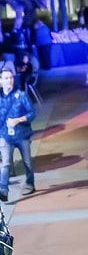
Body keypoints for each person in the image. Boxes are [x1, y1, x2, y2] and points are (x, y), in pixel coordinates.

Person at [0, 69, 36, 200]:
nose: (9, 80)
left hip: (22, 135)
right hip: (5, 136)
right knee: (5, 164)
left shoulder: (21, 95)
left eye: (11, 77)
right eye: (6, 78)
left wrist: (19, 120)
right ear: (0, 81)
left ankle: (30, 183)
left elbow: (32, 114)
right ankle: (3, 190)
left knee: (27, 162)